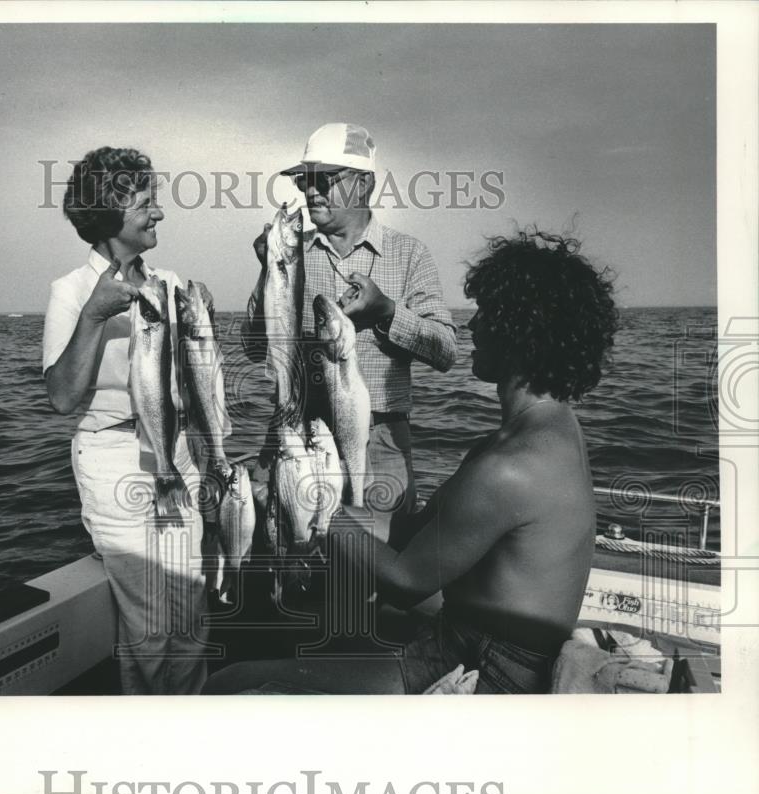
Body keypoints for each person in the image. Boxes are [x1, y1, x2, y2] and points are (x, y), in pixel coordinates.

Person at [205, 229, 619, 694]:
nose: (472, 327)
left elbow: (406, 584)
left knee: (231, 681)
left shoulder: (511, 464)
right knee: (324, 647)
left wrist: (320, 511)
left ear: (520, 331)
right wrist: (298, 498)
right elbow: (417, 533)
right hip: (459, 640)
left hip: (486, 669)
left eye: (486, 314)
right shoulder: (543, 431)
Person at [42, 146, 214, 695]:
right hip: (115, 461)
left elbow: (198, 382)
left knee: (189, 617)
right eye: (146, 203)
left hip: (176, 453)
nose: (158, 213)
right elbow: (63, 398)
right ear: (111, 215)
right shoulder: (70, 292)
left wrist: (202, 319)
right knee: (150, 630)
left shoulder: (168, 282)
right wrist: (94, 315)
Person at [242, 123, 458, 540]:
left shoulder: (409, 254)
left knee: (374, 569)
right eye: (305, 180)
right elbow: (253, 349)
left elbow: (446, 350)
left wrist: (387, 312)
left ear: (364, 184)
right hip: (296, 430)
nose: (311, 191)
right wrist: (267, 272)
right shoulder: (289, 247)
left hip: (380, 441)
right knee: (290, 552)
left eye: (325, 179)